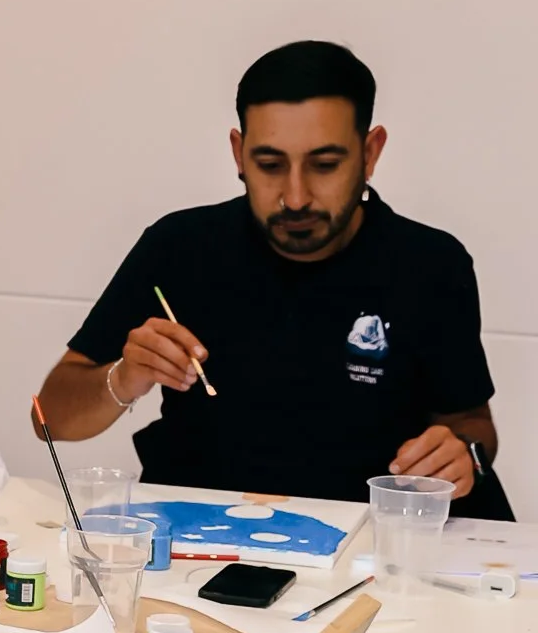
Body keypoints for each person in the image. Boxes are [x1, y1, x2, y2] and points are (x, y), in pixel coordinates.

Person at [35, 39, 502, 505]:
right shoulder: (180, 247)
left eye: (324, 165)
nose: (295, 197)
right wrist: (124, 377)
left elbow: (472, 423)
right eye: (270, 164)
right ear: (239, 154)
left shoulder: (430, 264)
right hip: (205, 538)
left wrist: (464, 455)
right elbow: (49, 418)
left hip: (372, 537)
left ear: (370, 153)